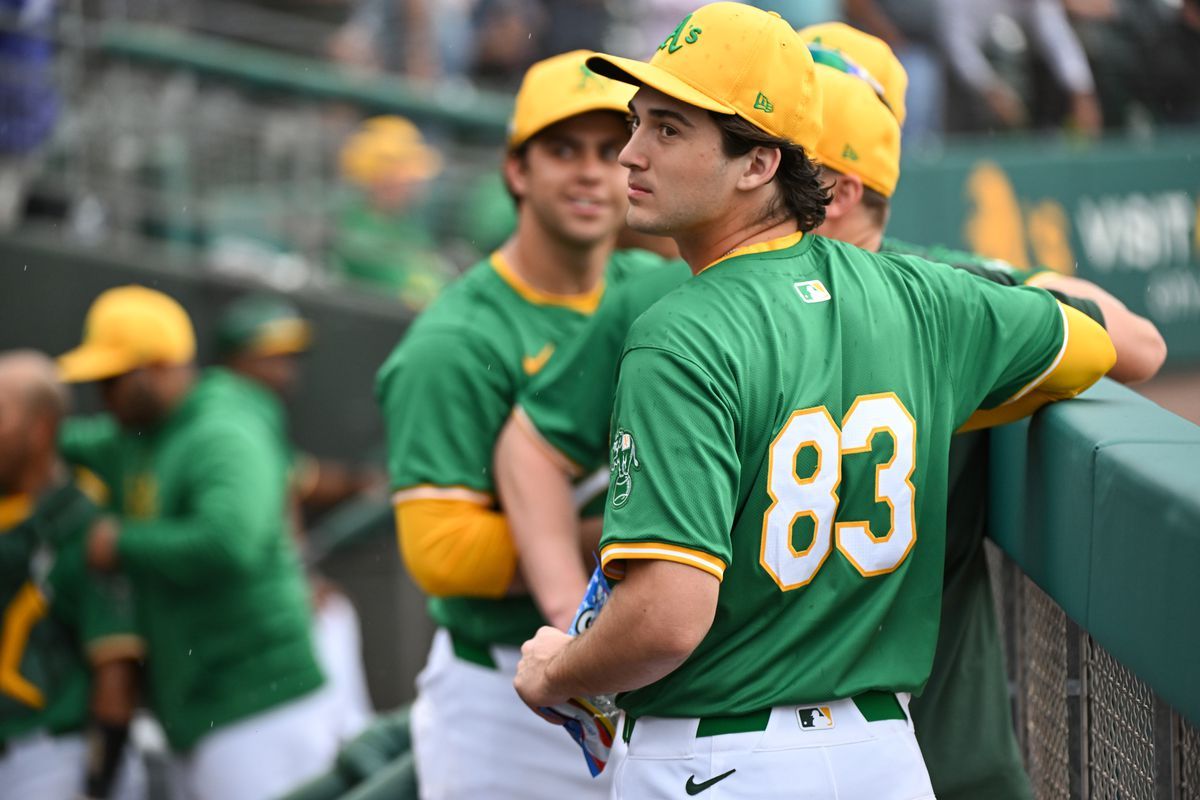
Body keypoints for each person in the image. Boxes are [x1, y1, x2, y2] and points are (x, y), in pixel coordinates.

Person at [512, 5, 1115, 798]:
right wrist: (943, 401)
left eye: (666, 130)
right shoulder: (923, 298)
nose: (628, 154)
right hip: (886, 760)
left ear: (758, 163)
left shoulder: (679, 332)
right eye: (638, 123)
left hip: (718, 761)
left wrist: (560, 671)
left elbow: (664, 620)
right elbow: (1097, 346)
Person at [374, 50, 664, 798]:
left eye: (611, 147)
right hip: (502, 683)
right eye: (562, 149)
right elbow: (441, 552)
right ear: (516, 171)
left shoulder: (649, 288)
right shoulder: (455, 341)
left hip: (630, 665)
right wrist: (630, 542)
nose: (591, 172)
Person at [56, 285, 341, 800]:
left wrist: (120, 543)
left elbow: (229, 543)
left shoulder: (221, 428)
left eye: (114, 379)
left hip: (260, 704)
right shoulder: (139, 432)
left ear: (160, 367)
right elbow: (47, 437)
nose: (103, 395)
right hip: (200, 708)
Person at [215, 294, 376, 742]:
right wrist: (301, 577)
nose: (286, 370)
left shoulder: (254, 412)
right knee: (329, 622)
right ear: (238, 358)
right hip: (246, 617)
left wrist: (359, 483)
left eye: (290, 358)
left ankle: (348, 741)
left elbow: (302, 478)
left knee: (336, 619)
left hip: (275, 602)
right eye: (272, 357)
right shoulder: (231, 413)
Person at [0, 350, 143, 800]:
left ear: (40, 429)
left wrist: (96, 785)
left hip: (51, 758)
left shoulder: (80, 521)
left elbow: (115, 671)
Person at [330, 116, 455, 312]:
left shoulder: (407, 226)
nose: (415, 184)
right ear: (383, 179)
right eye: (407, 176)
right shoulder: (358, 236)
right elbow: (417, 294)